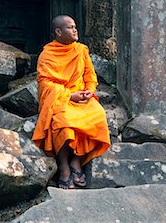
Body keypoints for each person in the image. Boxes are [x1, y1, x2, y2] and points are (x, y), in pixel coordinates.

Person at [32, 15, 110, 189]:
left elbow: (90, 76)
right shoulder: (47, 54)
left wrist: (90, 90)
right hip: (60, 98)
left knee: (97, 114)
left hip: (81, 97)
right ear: (58, 32)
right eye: (70, 27)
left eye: (75, 26)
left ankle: (76, 160)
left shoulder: (81, 50)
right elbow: (45, 83)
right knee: (64, 122)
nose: (75, 30)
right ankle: (64, 166)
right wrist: (69, 95)